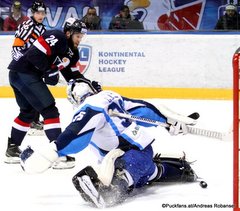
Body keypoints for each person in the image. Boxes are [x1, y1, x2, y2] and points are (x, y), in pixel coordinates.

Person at [20, 80, 199, 208]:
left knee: (124, 179)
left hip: (130, 155)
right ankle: (180, 170)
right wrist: (167, 121)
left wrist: (53, 151)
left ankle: (110, 191)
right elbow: (142, 109)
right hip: (138, 153)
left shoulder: (90, 105)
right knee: (148, 174)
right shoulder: (110, 97)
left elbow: (76, 135)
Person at [5, 18, 102, 169]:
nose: (79, 39)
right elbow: (33, 55)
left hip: (20, 74)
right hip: (23, 73)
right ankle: (58, 153)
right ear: (68, 33)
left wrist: (89, 83)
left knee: (28, 113)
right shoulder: (58, 37)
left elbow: (72, 75)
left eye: (81, 37)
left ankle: (12, 149)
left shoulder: (72, 53)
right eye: (78, 36)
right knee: (50, 111)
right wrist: (48, 70)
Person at [11, 0, 47, 135]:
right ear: (33, 13)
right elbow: (16, 48)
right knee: (32, 94)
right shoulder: (27, 26)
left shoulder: (42, 29)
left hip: (34, 67)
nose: (41, 15)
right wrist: (23, 65)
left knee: (37, 92)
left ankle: (34, 120)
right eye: (38, 12)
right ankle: (32, 121)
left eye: (43, 13)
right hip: (24, 67)